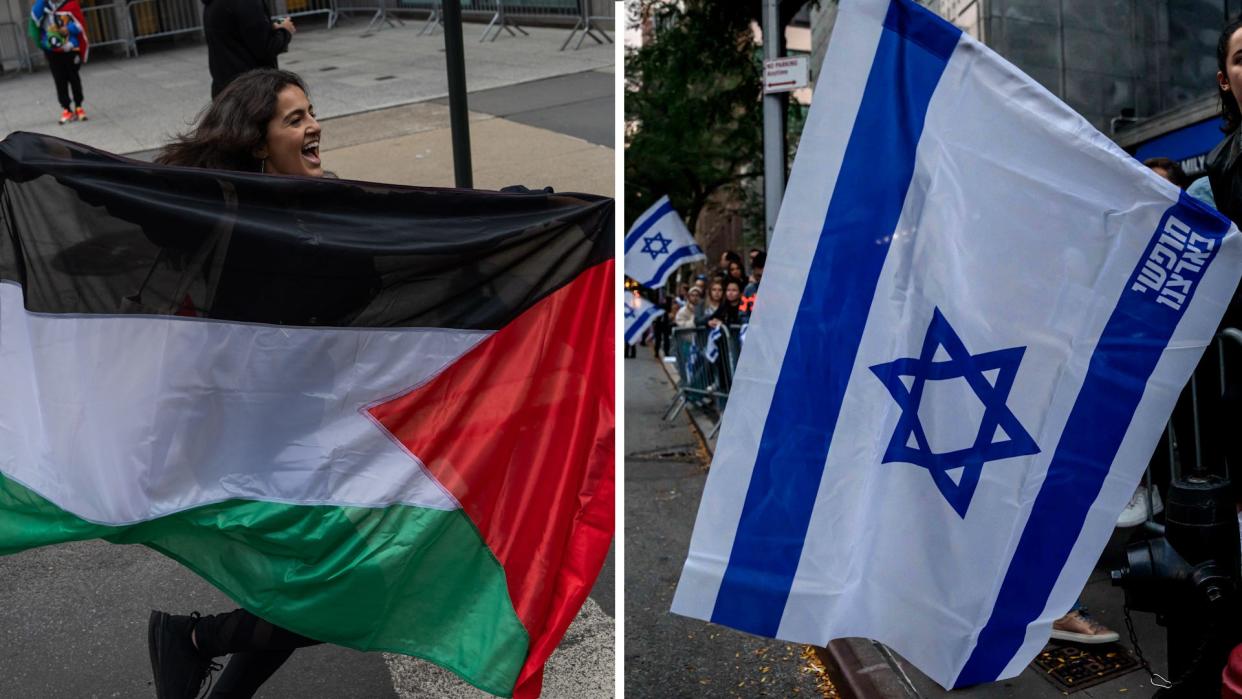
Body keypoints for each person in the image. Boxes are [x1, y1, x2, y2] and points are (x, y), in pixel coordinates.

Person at [148, 69, 326, 699]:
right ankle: (196, 641)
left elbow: (424, 229)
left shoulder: (331, 201)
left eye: (311, 113)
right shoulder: (235, 223)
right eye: (295, 119)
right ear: (257, 142)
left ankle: (196, 648)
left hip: (321, 428)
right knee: (329, 590)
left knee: (307, 589)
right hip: (266, 442)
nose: (314, 127)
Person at [203, 0, 297, 99]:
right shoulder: (247, 2)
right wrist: (285, 31)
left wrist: (269, 29)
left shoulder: (213, 3)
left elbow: (235, 34)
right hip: (251, 89)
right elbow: (266, 48)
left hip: (225, 88)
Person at [27, 0, 89, 125]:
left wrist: (68, 29)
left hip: (70, 48)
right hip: (52, 49)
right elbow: (35, 22)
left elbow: (80, 25)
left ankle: (78, 106)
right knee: (59, 79)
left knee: (74, 77)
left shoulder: (71, 4)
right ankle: (66, 109)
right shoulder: (42, 6)